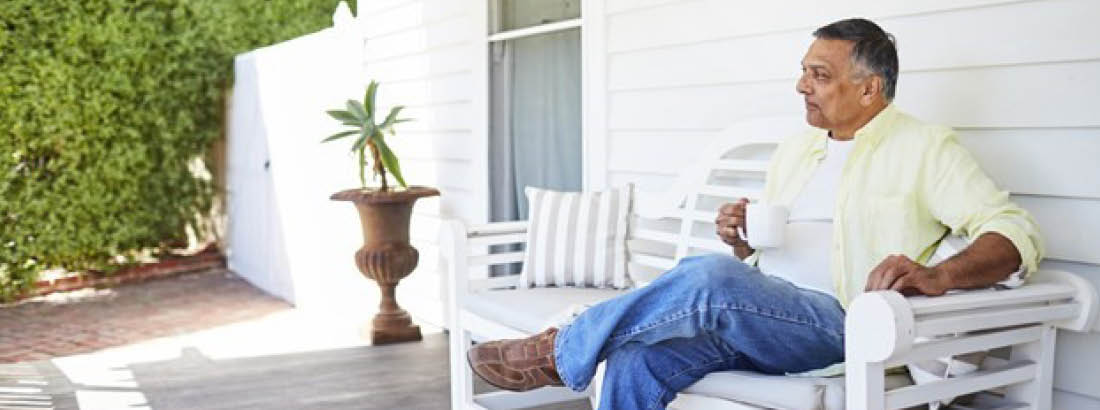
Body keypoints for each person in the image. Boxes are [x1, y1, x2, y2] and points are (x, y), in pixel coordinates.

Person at [465, 18, 1043, 410]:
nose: (801, 86)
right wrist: (743, 244)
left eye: (820, 75)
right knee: (637, 363)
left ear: (869, 90)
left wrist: (937, 276)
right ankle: (565, 349)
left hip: (842, 328)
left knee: (710, 278)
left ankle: (554, 350)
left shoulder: (924, 148)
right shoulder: (798, 150)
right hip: (762, 317)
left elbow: (1014, 234)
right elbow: (768, 257)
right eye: (804, 71)